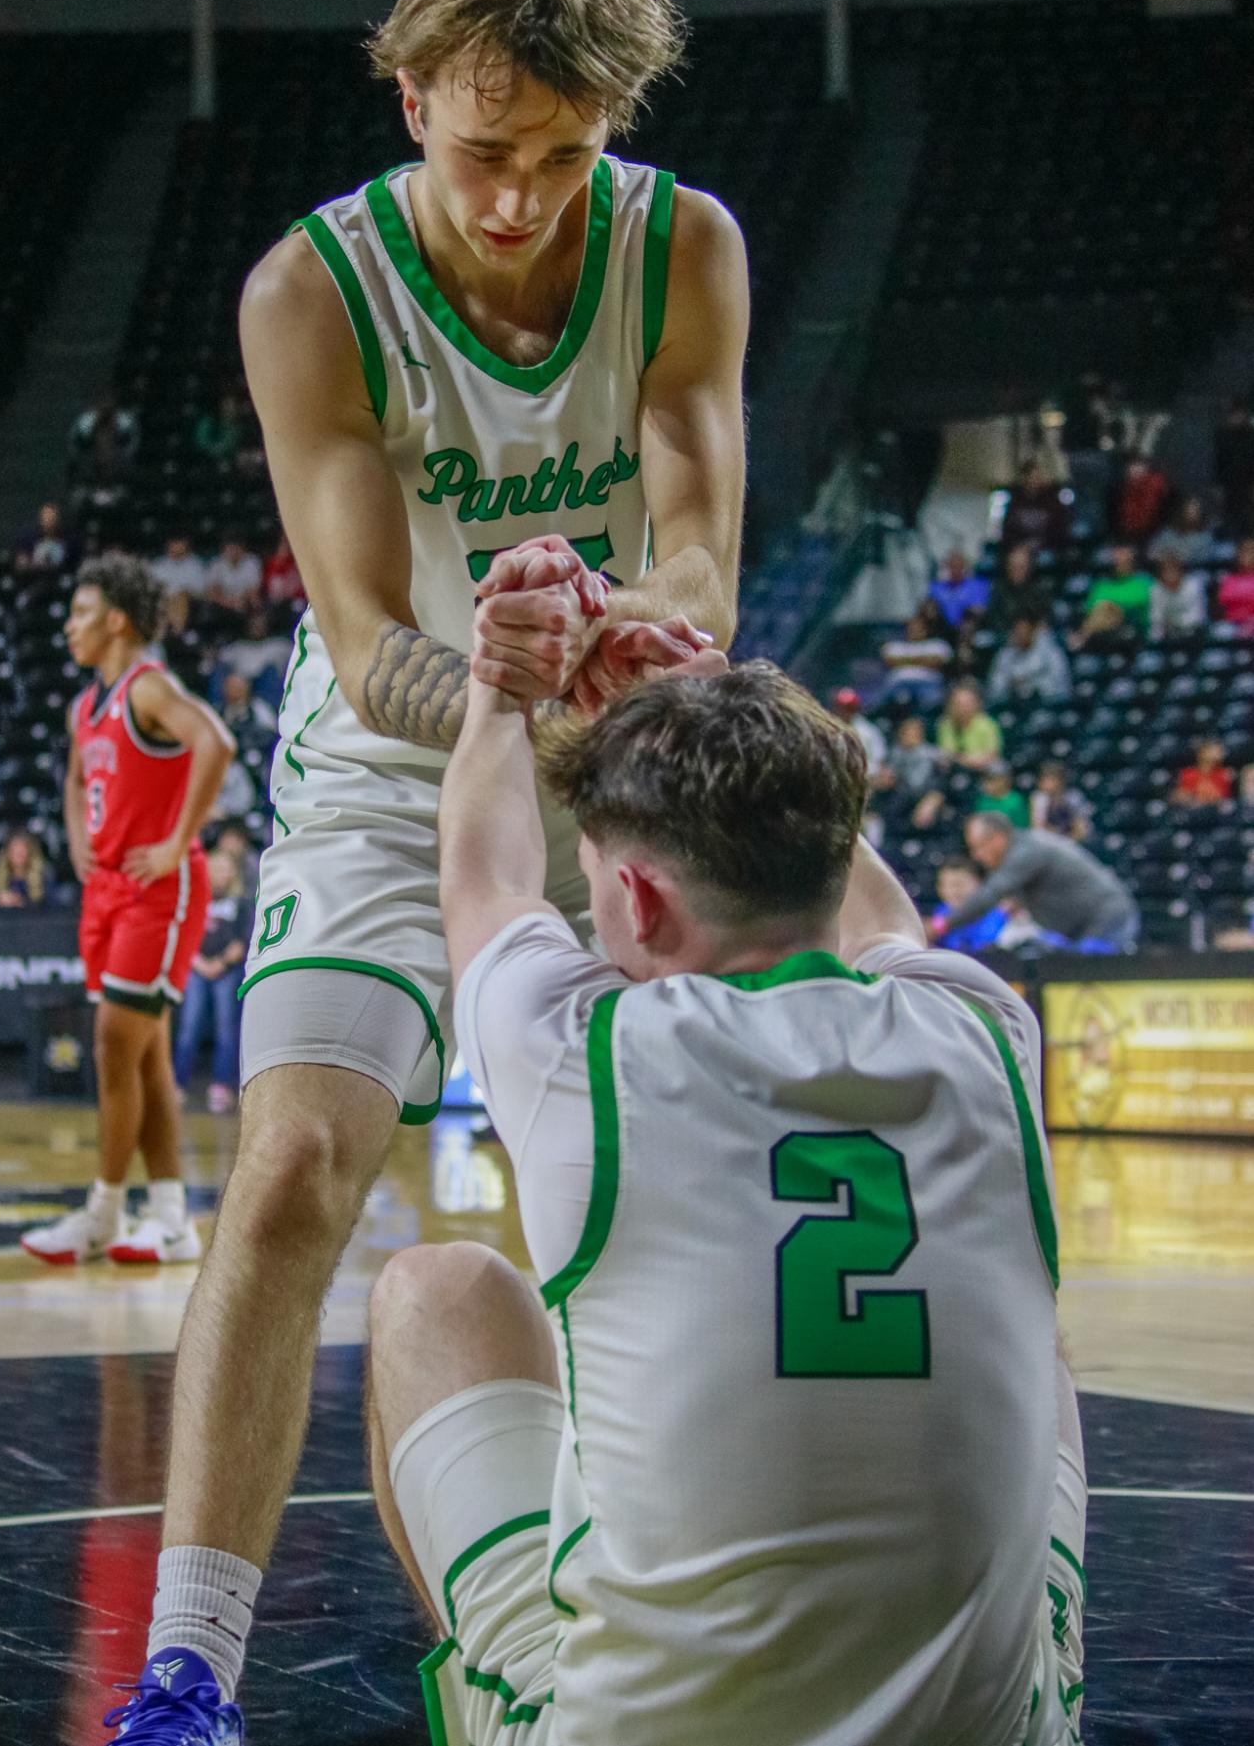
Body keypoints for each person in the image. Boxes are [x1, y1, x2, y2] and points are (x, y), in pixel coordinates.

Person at [110, 0, 747, 1740]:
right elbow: (360, 631)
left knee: (646, 1188)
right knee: (301, 1166)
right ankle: (184, 1670)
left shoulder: (679, 241)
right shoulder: (306, 291)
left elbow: (699, 523)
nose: (523, 197)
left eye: (565, 152)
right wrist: (493, 685)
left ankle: (612, 1625)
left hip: (614, 733)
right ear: (409, 101)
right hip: (397, 755)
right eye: (485, 150)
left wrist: (647, 636)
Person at [361, 657, 1086, 1746]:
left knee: (431, 1290)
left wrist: (499, 692)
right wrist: (709, 676)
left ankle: (497, 1706)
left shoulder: (585, 1053)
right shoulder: (985, 1029)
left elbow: (483, 878)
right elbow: (875, 910)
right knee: (1035, 1342)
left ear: (638, 899)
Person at [21, 554, 233, 1270]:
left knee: (115, 1042)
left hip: (159, 888)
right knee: (142, 1059)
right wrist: (80, 838)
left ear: (116, 620)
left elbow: (216, 740)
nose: (68, 626)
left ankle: (102, 1211)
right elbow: (78, 776)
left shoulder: (149, 686)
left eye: (79, 613)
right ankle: (172, 1219)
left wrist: (178, 842)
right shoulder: (86, 705)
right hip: (107, 888)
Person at [941, 813, 1139, 951]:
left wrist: (941, 925)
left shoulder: (1026, 851)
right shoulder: (1022, 851)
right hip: (1081, 928)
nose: (976, 856)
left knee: (1092, 983)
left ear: (997, 838)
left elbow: (990, 895)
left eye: (978, 847)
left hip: (1105, 918)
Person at [173, 847, 252, 1114]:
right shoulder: (194, 899)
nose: (224, 874)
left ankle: (221, 1086)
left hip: (227, 971)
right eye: (218, 869)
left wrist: (221, 963)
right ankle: (176, 1084)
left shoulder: (241, 902)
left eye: (228, 870)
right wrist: (198, 962)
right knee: (189, 1026)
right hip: (197, 969)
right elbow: (183, 932)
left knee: (226, 1029)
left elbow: (243, 941)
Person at [987, 617, 1071, 704]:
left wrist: (1028, 684)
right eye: (1017, 633)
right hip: (1014, 704)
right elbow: (995, 686)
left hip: (1047, 703)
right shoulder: (1005, 654)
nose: (1020, 636)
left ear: (1032, 632)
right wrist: (1009, 684)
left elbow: (1060, 683)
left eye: (1023, 632)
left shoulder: (1051, 652)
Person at [217, 608, 292, 706]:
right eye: (254, 624)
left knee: (270, 672)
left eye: (260, 624)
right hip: (241, 688)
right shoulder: (237, 647)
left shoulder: (280, 645)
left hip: (266, 692)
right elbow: (219, 660)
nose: (257, 627)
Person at [878, 612, 952, 708]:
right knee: (894, 698)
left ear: (925, 629)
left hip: (928, 683)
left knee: (932, 700)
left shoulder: (937, 645)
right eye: (911, 627)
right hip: (899, 683)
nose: (915, 630)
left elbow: (936, 662)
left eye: (919, 628)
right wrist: (923, 660)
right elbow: (890, 661)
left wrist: (903, 661)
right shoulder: (894, 646)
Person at [1078, 544, 1152, 639]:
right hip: (1102, 636)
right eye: (1116, 555)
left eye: (1123, 555)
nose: (1119, 560)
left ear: (1133, 557)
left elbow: (1143, 607)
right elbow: (1092, 613)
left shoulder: (1144, 581)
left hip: (1137, 633)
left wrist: (1114, 609)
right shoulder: (1101, 585)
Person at [986, 541, 1052, 636]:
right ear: (1007, 567)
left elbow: (1047, 619)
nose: (1017, 571)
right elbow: (992, 620)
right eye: (1013, 567)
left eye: (1021, 567)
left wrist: (1031, 630)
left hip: (1034, 640)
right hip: (1006, 640)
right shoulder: (998, 590)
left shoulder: (1040, 590)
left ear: (1029, 567)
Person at [1001, 459, 1068, 550]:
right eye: (1032, 476)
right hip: (1020, 550)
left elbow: (1059, 531)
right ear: (1024, 478)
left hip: (1047, 548)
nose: (1036, 480)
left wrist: (1038, 544)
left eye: (1039, 476)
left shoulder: (1053, 501)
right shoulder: (1015, 501)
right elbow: (1008, 530)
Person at [937, 682, 1003, 770]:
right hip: (956, 768)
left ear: (976, 704)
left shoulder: (987, 724)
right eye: (958, 703)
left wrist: (961, 758)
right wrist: (969, 759)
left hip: (984, 768)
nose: (963, 708)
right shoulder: (946, 725)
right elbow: (947, 754)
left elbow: (992, 755)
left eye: (967, 703)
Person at [1213, 401, 1254, 535]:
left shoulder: (1250, 435)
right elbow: (1219, 461)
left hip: (1247, 483)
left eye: (1239, 415)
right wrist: (1217, 484)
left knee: (1245, 512)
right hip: (1228, 483)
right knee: (1229, 512)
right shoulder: (1222, 435)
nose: (1235, 418)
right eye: (1233, 415)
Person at [1148, 493, 1217, 570]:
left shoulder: (1205, 537)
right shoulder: (1167, 534)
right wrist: (1168, 559)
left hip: (1194, 574)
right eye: (1189, 510)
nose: (1191, 514)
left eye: (1195, 511)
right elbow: (1152, 554)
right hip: (1166, 572)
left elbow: (1205, 560)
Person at [1112, 453, 1169, 545]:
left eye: (1138, 465)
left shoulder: (1153, 485)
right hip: (1126, 532)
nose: (1133, 469)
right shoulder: (1126, 486)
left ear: (1145, 467)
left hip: (1145, 535)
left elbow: (1147, 512)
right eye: (1131, 466)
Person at [830, 686, 886, 777]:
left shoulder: (867, 731)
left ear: (856, 709)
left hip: (865, 776)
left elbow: (879, 761)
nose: (845, 713)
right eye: (841, 708)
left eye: (849, 709)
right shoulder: (829, 728)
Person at [927, 549, 989, 630]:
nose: (955, 570)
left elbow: (980, 609)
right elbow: (930, 609)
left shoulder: (977, 586)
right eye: (951, 566)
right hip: (942, 629)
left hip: (970, 628)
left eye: (959, 566)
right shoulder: (936, 587)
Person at [205, 536, 263, 623]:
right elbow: (212, 592)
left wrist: (240, 601)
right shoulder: (217, 564)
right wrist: (229, 603)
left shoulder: (252, 562)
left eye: (236, 547)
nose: (233, 551)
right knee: (210, 606)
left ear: (242, 549)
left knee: (255, 603)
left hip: (244, 603)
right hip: (223, 604)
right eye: (229, 548)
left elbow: (253, 591)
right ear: (224, 549)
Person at [1149, 554, 1206, 640]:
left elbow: (1198, 617)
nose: (1170, 574)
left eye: (1173, 570)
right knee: (1154, 634)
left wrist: (1175, 622)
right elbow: (1155, 617)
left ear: (1181, 571)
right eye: (1166, 571)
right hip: (1167, 634)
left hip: (1193, 633)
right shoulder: (1156, 589)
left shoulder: (1194, 586)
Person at [0, 826, 48, 907]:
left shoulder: (44, 879)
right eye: (14, 850)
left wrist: (21, 902)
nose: (18, 855)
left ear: (30, 852)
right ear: (7, 853)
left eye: (22, 851)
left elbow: (51, 907)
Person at [1031, 763, 1091, 841]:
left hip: (1072, 842)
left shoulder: (1074, 797)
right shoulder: (1038, 798)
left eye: (1050, 780)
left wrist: (1067, 839)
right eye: (1043, 780)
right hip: (1049, 842)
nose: (1044, 784)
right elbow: (1038, 829)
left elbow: (1081, 830)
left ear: (1061, 781)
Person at [15, 500, 74, 574]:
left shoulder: (69, 541)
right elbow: (21, 564)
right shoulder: (28, 540)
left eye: (53, 517)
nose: (50, 520)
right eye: (47, 516)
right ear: (40, 518)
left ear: (58, 519)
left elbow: (71, 564)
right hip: (34, 578)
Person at [1173, 737, 1233, 808]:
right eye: (1212, 750)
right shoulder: (1187, 774)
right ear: (1202, 753)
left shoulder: (1225, 774)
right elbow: (1179, 797)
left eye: (1220, 750)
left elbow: (1225, 799)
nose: (1219, 753)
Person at [975, 761, 1031, 828]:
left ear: (1006, 780)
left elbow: (1022, 827)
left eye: (992, 779)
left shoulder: (1016, 800)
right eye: (985, 779)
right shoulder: (982, 800)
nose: (987, 783)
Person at [1216, 537, 1254, 631]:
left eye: (1250, 551)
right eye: (1242, 550)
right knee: (1220, 631)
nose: (1245, 554)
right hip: (1231, 623)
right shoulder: (1227, 579)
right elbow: (1221, 604)